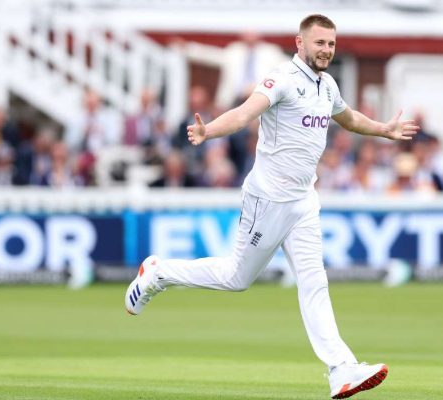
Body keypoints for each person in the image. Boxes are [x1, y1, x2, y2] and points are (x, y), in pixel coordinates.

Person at [124, 14, 419, 399]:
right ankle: (158, 273)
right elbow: (246, 113)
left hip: (303, 201)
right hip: (268, 199)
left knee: (315, 282)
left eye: (331, 44)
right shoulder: (281, 78)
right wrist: (208, 130)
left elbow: (349, 119)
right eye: (319, 43)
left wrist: (384, 130)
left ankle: (340, 369)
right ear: (300, 43)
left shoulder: (327, 85)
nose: (327, 50)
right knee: (236, 277)